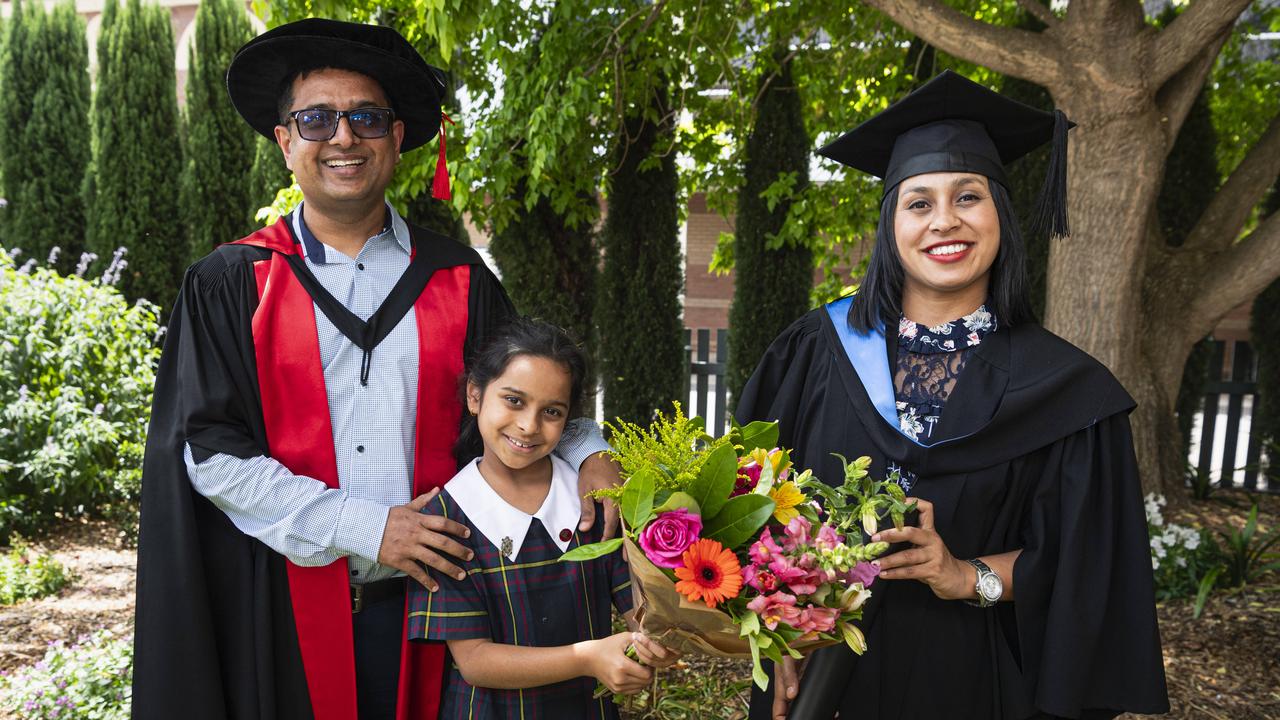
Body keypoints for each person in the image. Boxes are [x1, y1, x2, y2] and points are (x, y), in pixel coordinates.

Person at [131, 19, 622, 720]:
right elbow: (208, 452)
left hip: (442, 609)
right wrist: (368, 527)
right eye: (316, 119)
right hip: (280, 613)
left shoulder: (459, 279)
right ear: (285, 142)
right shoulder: (234, 282)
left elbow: (527, 398)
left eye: (365, 117)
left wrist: (594, 451)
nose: (342, 137)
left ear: (396, 138)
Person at [736, 70, 1169, 720]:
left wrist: (966, 575)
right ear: (891, 223)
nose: (945, 222)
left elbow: (1088, 562)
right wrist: (775, 627)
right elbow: (748, 502)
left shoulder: (1066, 392)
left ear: (1001, 213)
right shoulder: (816, 350)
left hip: (977, 680)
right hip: (821, 671)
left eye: (968, 197)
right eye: (919, 202)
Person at [406, 318, 679, 718]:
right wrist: (587, 658)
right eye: (514, 400)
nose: (529, 426)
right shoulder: (442, 521)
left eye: (551, 411)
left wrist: (657, 639)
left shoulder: (597, 503)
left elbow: (640, 609)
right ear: (475, 395)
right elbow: (475, 661)